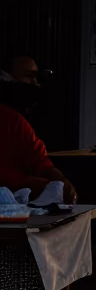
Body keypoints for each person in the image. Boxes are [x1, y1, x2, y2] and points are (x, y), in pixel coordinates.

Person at [0, 56, 77, 203]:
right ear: (5, 77)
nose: (34, 83)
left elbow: (40, 161)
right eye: (28, 76)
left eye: (36, 77)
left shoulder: (17, 120)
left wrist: (61, 183)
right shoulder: (10, 118)